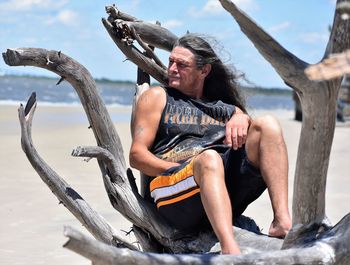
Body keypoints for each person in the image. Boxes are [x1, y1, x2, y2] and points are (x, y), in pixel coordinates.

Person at [129, 33, 292, 254]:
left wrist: (242, 117)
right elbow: (137, 155)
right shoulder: (158, 97)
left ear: (204, 71)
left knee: (268, 125)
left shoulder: (225, 108)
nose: (172, 69)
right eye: (171, 62)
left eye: (182, 65)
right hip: (173, 191)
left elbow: (254, 138)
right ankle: (229, 249)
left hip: (218, 187)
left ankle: (282, 222)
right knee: (209, 159)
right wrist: (184, 169)